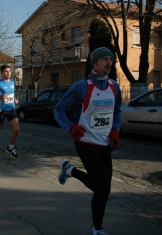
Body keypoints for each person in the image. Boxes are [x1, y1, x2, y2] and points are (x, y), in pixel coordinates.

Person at [53, 47, 122, 235]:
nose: (109, 63)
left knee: (103, 189)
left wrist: (115, 130)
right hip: (85, 142)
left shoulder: (114, 87)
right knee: (103, 187)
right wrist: (70, 127)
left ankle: (69, 170)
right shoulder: (82, 87)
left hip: (104, 144)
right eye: (104, 60)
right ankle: (97, 229)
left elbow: (117, 111)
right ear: (95, 63)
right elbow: (58, 110)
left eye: (111, 59)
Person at [0, 64, 20, 159]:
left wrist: (14, 99)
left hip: (11, 109)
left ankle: (11, 147)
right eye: (6, 71)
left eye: (9, 71)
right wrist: (1, 97)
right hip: (1, 110)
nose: (9, 73)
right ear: (1, 73)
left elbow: (11, 94)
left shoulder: (12, 82)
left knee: (17, 129)